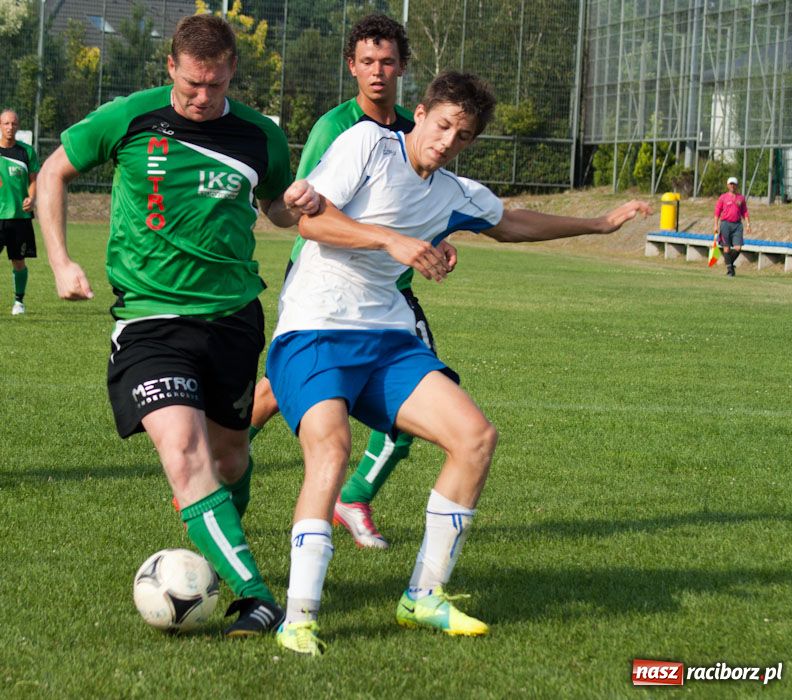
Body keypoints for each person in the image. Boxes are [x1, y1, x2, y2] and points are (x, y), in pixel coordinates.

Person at [266, 71, 652, 656]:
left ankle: (424, 595)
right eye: (443, 125)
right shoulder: (368, 145)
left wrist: (598, 224)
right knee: (333, 448)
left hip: (387, 336)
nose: (448, 141)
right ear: (418, 114)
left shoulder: (455, 193)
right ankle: (299, 619)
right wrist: (390, 241)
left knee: (474, 438)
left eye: (463, 135)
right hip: (317, 324)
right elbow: (312, 220)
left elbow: (514, 223)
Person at [36, 15, 319, 638]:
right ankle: (257, 596)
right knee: (184, 453)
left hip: (234, 319)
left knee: (231, 455)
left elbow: (272, 206)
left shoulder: (260, 135)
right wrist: (60, 260)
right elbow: (53, 171)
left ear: (231, 73)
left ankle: (216, 544)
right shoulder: (130, 117)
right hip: (150, 319)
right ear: (171, 67)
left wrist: (293, 206)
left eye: (214, 86)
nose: (201, 97)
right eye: (192, 85)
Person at [247, 14, 419, 550]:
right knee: (285, 387)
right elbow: (310, 211)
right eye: (367, 62)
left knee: (406, 397)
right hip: (324, 282)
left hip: (389, 289)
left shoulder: (414, 130)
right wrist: (382, 238)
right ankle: (228, 454)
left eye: (387, 61)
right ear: (351, 67)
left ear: (402, 67)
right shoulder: (335, 127)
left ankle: (354, 494)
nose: (377, 72)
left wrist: (434, 238)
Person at [0, 109, 39, 315]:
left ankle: (19, 302)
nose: (10, 128)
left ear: (18, 126)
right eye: (6, 123)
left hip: (19, 217)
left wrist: (32, 198)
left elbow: (34, 181)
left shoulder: (26, 152)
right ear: (0, 126)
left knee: (18, 261)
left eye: (13, 124)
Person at [713, 176, 751, 277]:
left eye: (734, 184)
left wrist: (748, 224)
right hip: (725, 224)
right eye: (730, 184)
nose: (732, 186)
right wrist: (716, 225)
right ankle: (730, 271)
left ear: (737, 185)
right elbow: (717, 212)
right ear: (727, 185)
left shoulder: (741, 198)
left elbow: (745, 212)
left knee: (738, 248)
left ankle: (729, 264)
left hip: (737, 225)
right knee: (726, 248)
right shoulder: (723, 197)